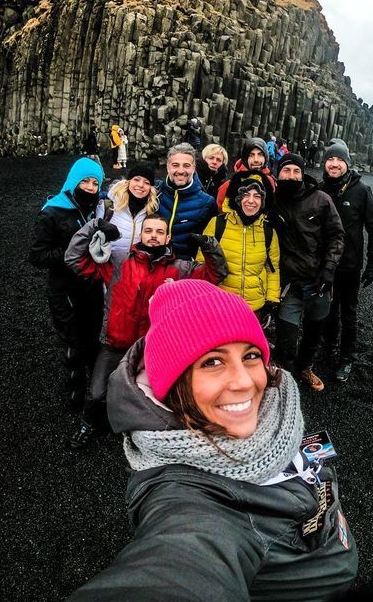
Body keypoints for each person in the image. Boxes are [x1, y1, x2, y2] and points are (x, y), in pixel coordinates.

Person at [67, 279, 357, 601]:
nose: (245, 382)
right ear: (174, 385)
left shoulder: (276, 403)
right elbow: (181, 566)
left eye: (249, 355)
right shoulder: (185, 498)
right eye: (212, 362)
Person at [64, 215, 227, 449]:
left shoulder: (180, 268)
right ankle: (88, 424)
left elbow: (215, 275)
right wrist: (94, 226)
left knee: (151, 396)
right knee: (97, 392)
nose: (153, 235)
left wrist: (209, 246)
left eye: (159, 232)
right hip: (115, 342)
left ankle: (143, 436)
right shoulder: (118, 260)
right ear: (141, 235)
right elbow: (73, 258)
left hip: (152, 347)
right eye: (148, 230)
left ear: (168, 237)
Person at [28, 158, 105, 408]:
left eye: (95, 182)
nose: (91, 187)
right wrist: (73, 252)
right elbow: (37, 256)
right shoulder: (52, 210)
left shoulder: (97, 208)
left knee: (94, 339)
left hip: (91, 286)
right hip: (64, 289)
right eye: (85, 181)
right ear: (74, 181)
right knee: (74, 341)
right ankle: (75, 391)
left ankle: (95, 393)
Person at [272, 153, 344, 392]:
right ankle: (285, 374)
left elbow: (336, 236)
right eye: (286, 171)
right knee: (286, 336)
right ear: (278, 173)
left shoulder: (321, 199)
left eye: (295, 171)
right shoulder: (272, 201)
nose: (290, 175)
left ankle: (305, 368)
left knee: (315, 331)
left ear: (302, 174)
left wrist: (329, 269)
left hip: (319, 280)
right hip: (289, 282)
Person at [320, 140, 373, 382]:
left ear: (347, 163)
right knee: (327, 311)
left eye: (339, 160)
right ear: (325, 163)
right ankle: (329, 350)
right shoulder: (321, 189)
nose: (334, 164)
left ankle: (346, 358)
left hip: (350, 265)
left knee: (349, 312)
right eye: (330, 160)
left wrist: (372, 263)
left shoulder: (361, 191)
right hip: (325, 264)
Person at [199, 170, 280, 323]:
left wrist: (271, 300)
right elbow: (202, 264)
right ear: (238, 198)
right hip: (220, 305)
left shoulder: (268, 231)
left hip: (254, 308)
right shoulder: (217, 224)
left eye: (257, 196)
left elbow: (272, 269)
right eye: (246, 195)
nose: (251, 201)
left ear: (263, 201)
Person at [157, 142, 217, 259]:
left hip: (185, 268)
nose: (180, 170)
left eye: (186, 166)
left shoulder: (207, 202)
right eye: (175, 165)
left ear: (194, 168)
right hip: (155, 264)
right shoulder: (156, 192)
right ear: (168, 166)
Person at [98, 163, 160, 263]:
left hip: (136, 267)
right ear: (128, 182)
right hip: (108, 265)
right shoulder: (109, 205)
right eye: (136, 179)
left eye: (146, 182)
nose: (140, 185)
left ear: (150, 188)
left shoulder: (150, 211)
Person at [218, 136, 274, 211]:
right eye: (251, 155)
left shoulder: (270, 182)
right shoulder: (229, 184)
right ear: (245, 158)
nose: (256, 160)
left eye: (260, 154)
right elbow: (219, 210)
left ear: (266, 157)